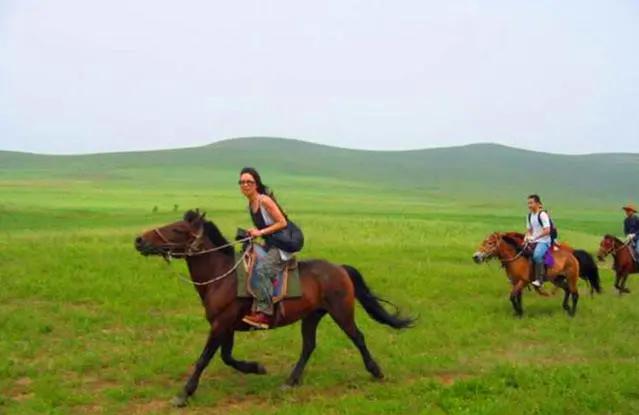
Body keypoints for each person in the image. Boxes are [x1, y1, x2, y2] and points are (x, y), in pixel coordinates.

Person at [238, 167, 293, 329]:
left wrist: (260, 232)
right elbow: (267, 225)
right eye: (242, 182)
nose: (245, 185)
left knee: (262, 269)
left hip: (283, 244)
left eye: (249, 182)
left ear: (256, 184)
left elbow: (282, 222)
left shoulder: (264, 200)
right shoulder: (251, 203)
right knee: (248, 257)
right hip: (271, 242)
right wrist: (253, 233)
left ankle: (265, 315)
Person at [525, 194, 552, 288]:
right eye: (528, 203)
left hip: (544, 241)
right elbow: (529, 230)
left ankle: (540, 280)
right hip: (533, 240)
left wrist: (535, 238)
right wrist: (527, 237)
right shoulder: (529, 216)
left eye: (531, 203)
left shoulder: (542, 215)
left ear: (537, 203)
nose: (529, 205)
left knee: (537, 255)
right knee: (521, 252)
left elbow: (547, 230)